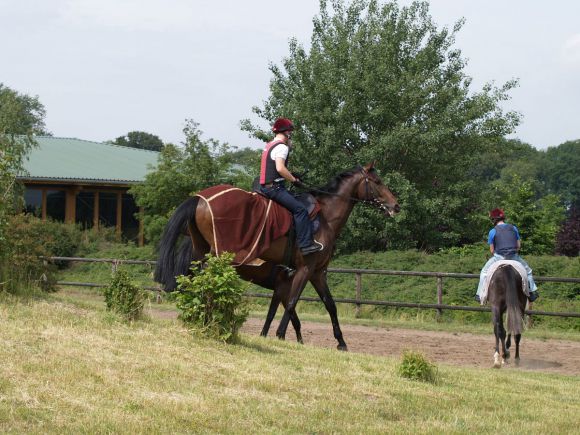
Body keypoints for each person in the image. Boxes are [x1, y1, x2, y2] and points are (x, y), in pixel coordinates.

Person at [258, 118, 323, 256]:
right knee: (300, 210)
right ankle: (305, 245)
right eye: (290, 132)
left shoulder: (269, 145)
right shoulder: (282, 147)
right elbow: (280, 168)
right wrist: (294, 180)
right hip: (274, 188)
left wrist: (292, 174)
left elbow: (275, 169)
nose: (290, 135)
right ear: (287, 133)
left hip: (265, 186)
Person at [475, 208, 539, 303]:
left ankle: (479, 295)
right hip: (514, 257)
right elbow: (518, 246)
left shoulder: (492, 231)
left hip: (498, 257)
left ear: (493, 220)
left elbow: (492, 250)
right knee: (528, 271)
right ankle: (531, 292)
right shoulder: (513, 228)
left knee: (484, 272)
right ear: (503, 218)